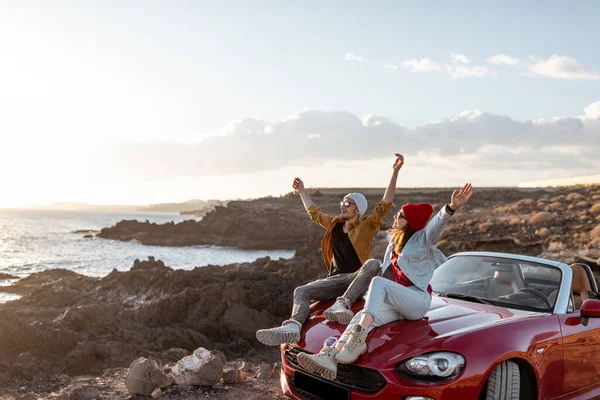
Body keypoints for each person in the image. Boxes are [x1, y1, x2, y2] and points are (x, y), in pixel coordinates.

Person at [296, 183, 474, 380]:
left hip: (417, 300)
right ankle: (330, 356)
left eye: (401, 215)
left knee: (378, 284)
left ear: (411, 221)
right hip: (397, 299)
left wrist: (451, 207)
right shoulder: (394, 242)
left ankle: (358, 338)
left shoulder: (423, 240)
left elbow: (437, 222)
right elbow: (384, 269)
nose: (396, 217)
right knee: (361, 314)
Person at [255, 154, 405, 346]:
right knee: (301, 291)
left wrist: (394, 172)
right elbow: (314, 213)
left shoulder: (368, 225)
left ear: (357, 210)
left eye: (347, 203)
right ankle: (293, 326)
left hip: (355, 279)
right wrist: (302, 191)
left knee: (374, 263)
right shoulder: (334, 223)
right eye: (342, 202)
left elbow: (384, 204)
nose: (342, 205)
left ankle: (343, 304)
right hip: (334, 280)